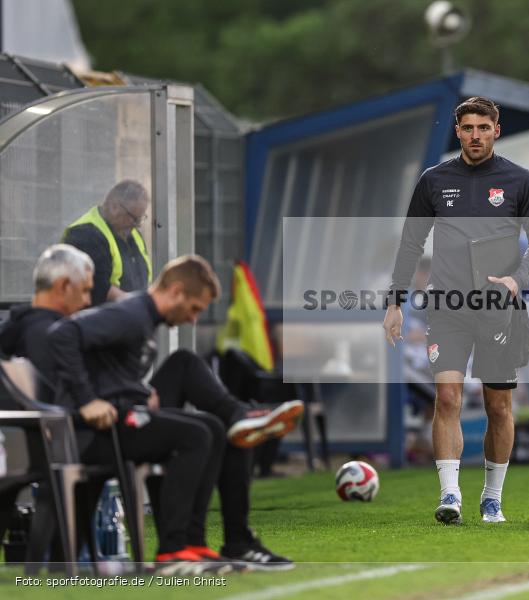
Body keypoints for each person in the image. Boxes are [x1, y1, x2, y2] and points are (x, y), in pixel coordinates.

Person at [47, 254, 303, 567]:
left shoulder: (143, 318)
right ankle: (173, 548)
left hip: (123, 414)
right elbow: (62, 335)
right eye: (195, 308)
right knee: (196, 434)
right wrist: (87, 401)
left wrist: (138, 392)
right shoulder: (132, 314)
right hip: (97, 430)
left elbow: (108, 370)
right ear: (176, 291)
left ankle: (193, 544)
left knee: (213, 426)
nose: (194, 319)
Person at [383, 96, 529, 525]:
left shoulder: (519, 180)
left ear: (496, 129)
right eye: (467, 128)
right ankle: (450, 494)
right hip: (447, 306)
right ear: (457, 132)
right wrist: (395, 302)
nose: (475, 135)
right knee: (447, 396)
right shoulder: (434, 180)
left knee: (498, 407)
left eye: (483, 127)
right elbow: (410, 243)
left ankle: (492, 497)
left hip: (499, 307)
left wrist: (518, 278)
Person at [0, 245, 221, 571]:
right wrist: (97, 401)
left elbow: (93, 384)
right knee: (191, 430)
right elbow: (73, 396)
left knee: (190, 415)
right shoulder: (49, 335)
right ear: (63, 287)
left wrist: (134, 394)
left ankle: (178, 544)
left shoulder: (33, 329)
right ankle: (175, 545)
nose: (90, 301)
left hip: (65, 435)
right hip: (74, 436)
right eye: (86, 290)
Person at [62, 180, 152, 306]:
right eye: (133, 218)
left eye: (140, 219)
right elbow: (97, 287)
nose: (136, 225)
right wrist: (137, 305)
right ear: (114, 207)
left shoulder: (131, 233)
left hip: (128, 317)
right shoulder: (85, 234)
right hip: (99, 319)